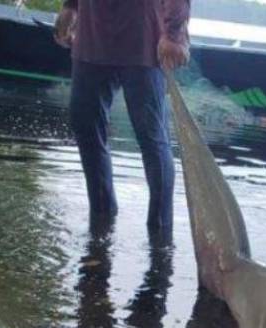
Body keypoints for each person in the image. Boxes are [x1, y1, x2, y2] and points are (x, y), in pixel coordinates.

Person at [55, 0, 191, 240]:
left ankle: (160, 234)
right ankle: (101, 220)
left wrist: (174, 33)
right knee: (85, 125)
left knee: (151, 137)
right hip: (92, 37)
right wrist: (70, 7)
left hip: (143, 37)